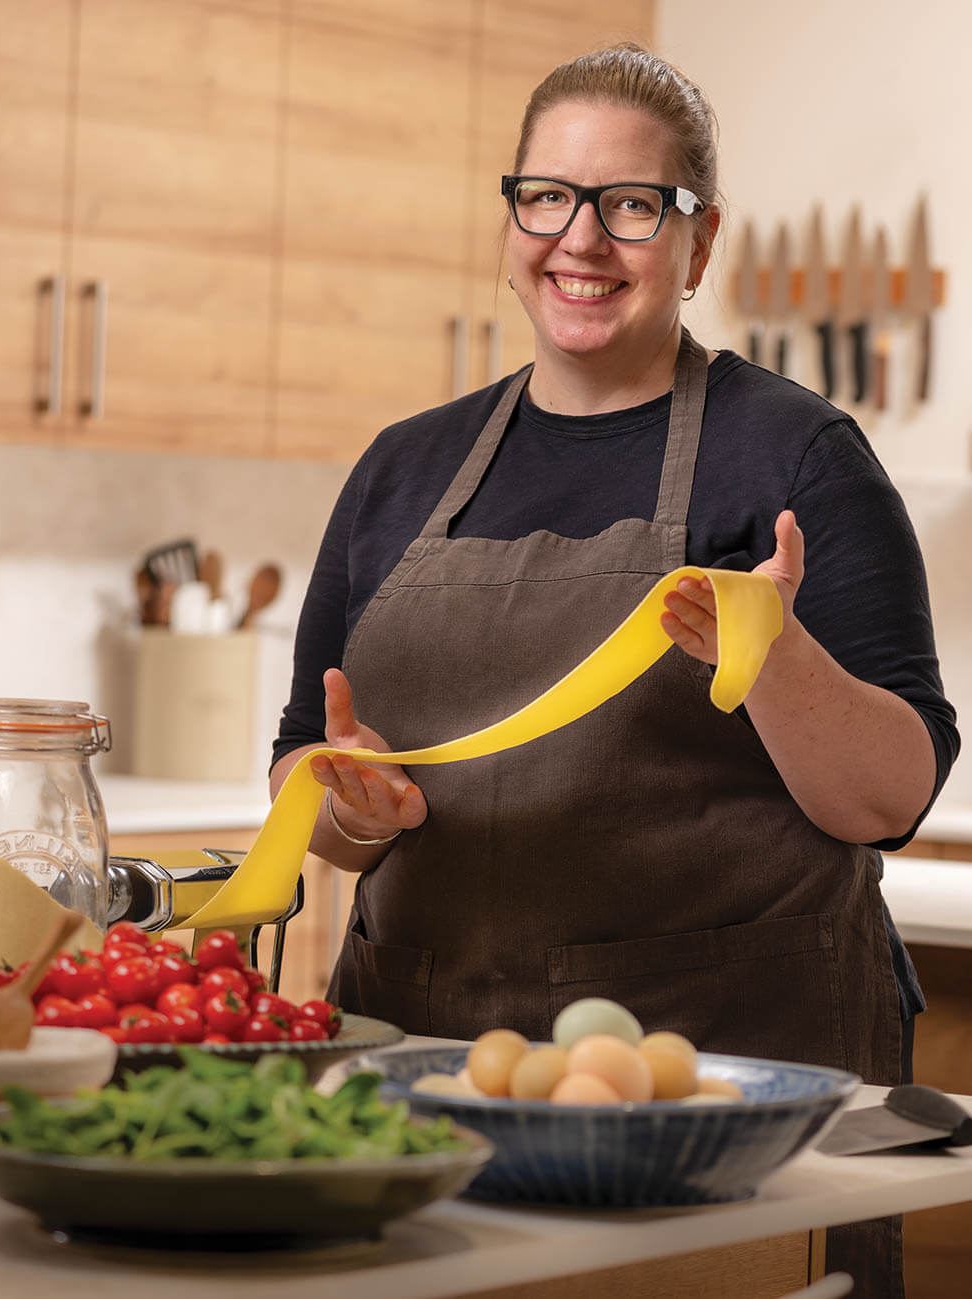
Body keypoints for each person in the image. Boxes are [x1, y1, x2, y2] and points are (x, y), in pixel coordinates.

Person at [271, 44, 958, 1296]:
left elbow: (887, 798)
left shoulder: (796, 458)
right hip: (433, 1095)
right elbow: (305, 771)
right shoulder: (398, 471)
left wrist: (773, 654)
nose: (580, 240)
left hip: (719, 1107)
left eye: (631, 205)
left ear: (696, 244)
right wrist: (342, 810)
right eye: (547, 197)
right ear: (512, 215)